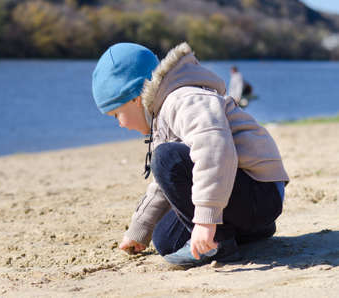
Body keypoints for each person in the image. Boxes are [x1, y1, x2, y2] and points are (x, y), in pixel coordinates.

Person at [91, 42, 289, 267]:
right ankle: (250, 231)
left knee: (166, 158)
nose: (120, 124)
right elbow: (165, 184)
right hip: (241, 193)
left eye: (116, 114)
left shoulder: (183, 100)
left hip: (260, 189)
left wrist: (206, 223)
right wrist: (139, 229)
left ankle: (220, 243)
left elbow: (215, 152)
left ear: (136, 98)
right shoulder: (161, 114)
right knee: (166, 239)